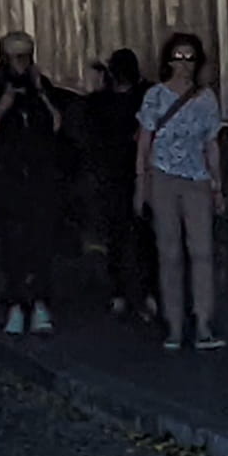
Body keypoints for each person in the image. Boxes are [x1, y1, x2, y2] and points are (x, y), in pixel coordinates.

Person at [0, 32, 71, 334]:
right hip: (7, 175)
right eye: (16, 56)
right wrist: (3, 107)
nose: (22, 63)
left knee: (40, 239)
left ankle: (40, 300)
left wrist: (40, 92)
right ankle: (16, 301)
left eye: (27, 56)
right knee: (12, 241)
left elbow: (57, 125)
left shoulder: (41, 88)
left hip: (40, 175)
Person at [139, 31, 228, 351]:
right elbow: (144, 143)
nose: (184, 64)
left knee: (202, 251)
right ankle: (174, 325)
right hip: (163, 176)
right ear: (168, 61)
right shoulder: (155, 96)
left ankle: (203, 322)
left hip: (197, 179)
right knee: (170, 253)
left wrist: (217, 186)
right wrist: (142, 184)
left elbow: (211, 144)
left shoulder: (206, 99)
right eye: (178, 57)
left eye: (190, 58)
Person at [80, 46, 151, 317]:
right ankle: (142, 293)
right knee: (139, 237)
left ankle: (122, 292)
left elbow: (90, 135)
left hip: (114, 174)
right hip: (136, 173)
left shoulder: (101, 103)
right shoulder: (143, 97)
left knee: (120, 237)